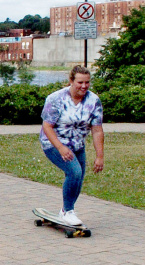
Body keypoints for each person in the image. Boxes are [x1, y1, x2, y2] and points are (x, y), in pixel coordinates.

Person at [39, 65, 104, 226]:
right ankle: (68, 211)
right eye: (80, 82)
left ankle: (65, 211)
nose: (84, 86)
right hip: (53, 143)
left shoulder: (93, 101)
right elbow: (47, 126)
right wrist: (60, 148)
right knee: (74, 172)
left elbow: (97, 130)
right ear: (71, 81)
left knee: (79, 178)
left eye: (87, 82)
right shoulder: (56, 99)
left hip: (77, 145)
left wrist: (100, 156)